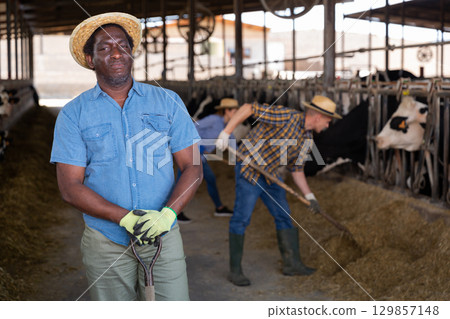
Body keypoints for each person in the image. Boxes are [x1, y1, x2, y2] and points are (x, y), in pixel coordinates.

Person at [50, 12, 202, 300]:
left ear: (132, 53)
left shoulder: (168, 101)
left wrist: (168, 214)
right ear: (90, 59)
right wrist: (124, 218)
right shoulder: (73, 114)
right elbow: (70, 187)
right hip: (105, 241)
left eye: (122, 45)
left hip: (163, 236)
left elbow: (192, 166)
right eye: (104, 48)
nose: (116, 52)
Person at [215, 95, 341, 286]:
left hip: (270, 175)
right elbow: (249, 107)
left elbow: (297, 169)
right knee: (242, 218)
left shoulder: (307, 137)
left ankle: (292, 264)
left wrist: (310, 196)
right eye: (328, 121)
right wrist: (226, 132)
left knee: (284, 215)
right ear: (317, 117)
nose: (328, 125)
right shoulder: (286, 116)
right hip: (250, 170)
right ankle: (235, 271)